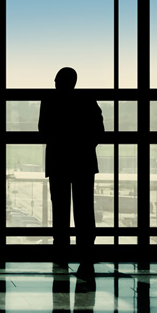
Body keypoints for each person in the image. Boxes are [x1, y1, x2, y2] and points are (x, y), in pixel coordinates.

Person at [38, 67, 103, 279]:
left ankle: (61, 250)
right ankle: (86, 251)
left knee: (60, 208)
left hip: (58, 161)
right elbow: (98, 130)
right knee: (84, 209)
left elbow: (43, 130)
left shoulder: (49, 101)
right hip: (83, 161)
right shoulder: (87, 100)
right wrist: (83, 145)